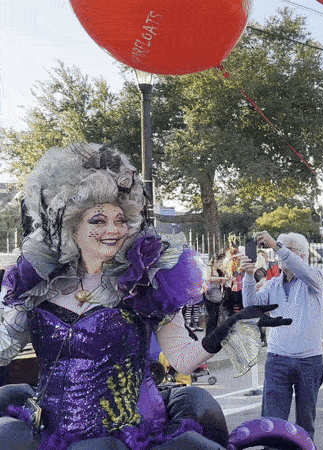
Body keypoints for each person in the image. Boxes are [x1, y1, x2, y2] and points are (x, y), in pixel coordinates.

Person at [0, 144, 290, 450]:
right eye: (98, 220)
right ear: (71, 226)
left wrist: (220, 333)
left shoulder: (146, 282)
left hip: (135, 435)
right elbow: (5, 347)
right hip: (52, 434)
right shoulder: (37, 285)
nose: (113, 230)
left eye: (121, 220)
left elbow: (182, 360)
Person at [239, 231, 323, 441]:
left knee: (305, 423)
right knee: (271, 423)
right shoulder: (273, 284)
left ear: (302, 256)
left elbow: (299, 268)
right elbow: (250, 306)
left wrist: (276, 245)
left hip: (309, 360)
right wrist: (249, 276)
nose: (281, 256)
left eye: (288, 250)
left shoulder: (314, 278)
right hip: (278, 360)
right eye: (279, 250)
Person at [204, 253, 227, 335]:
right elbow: (208, 278)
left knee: (216, 317)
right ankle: (208, 335)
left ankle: (213, 335)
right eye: (220, 262)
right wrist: (221, 278)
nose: (221, 264)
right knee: (212, 316)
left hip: (217, 294)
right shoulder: (209, 268)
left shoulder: (219, 271)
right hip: (209, 294)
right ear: (215, 261)